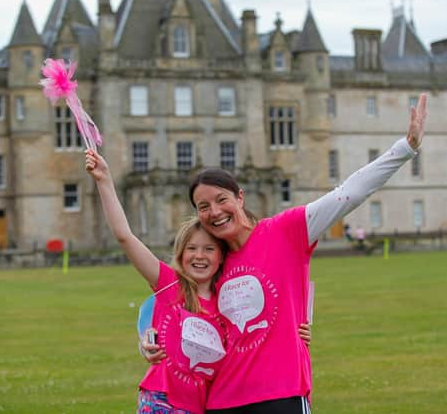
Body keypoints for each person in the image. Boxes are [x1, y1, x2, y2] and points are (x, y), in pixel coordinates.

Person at [144, 93, 428, 413]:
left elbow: (349, 193)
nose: (215, 211)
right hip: (222, 401)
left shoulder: (285, 231)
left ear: (240, 197)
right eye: (203, 206)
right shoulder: (213, 261)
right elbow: (176, 313)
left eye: (221, 199)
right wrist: (149, 339)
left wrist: (405, 148)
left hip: (282, 394)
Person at [85, 150, 311, 414]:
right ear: (181, 254)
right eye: (192, 248)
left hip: (202, 405)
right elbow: (125, 236)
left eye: (209, 249)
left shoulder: (226, 302)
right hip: (162, 400)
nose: (200, 256)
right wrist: (104, 180)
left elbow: (254, 337)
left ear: (222, 256)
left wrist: (299, 332)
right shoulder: (170, 285)